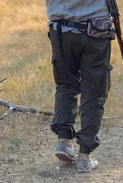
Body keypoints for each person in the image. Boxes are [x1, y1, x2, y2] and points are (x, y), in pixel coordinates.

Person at [46, 0, 114, 173]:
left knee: (65, 84)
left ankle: (63, 142)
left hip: (60, 29)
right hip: (96, 29)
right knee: (94, 92)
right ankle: (84, 157)